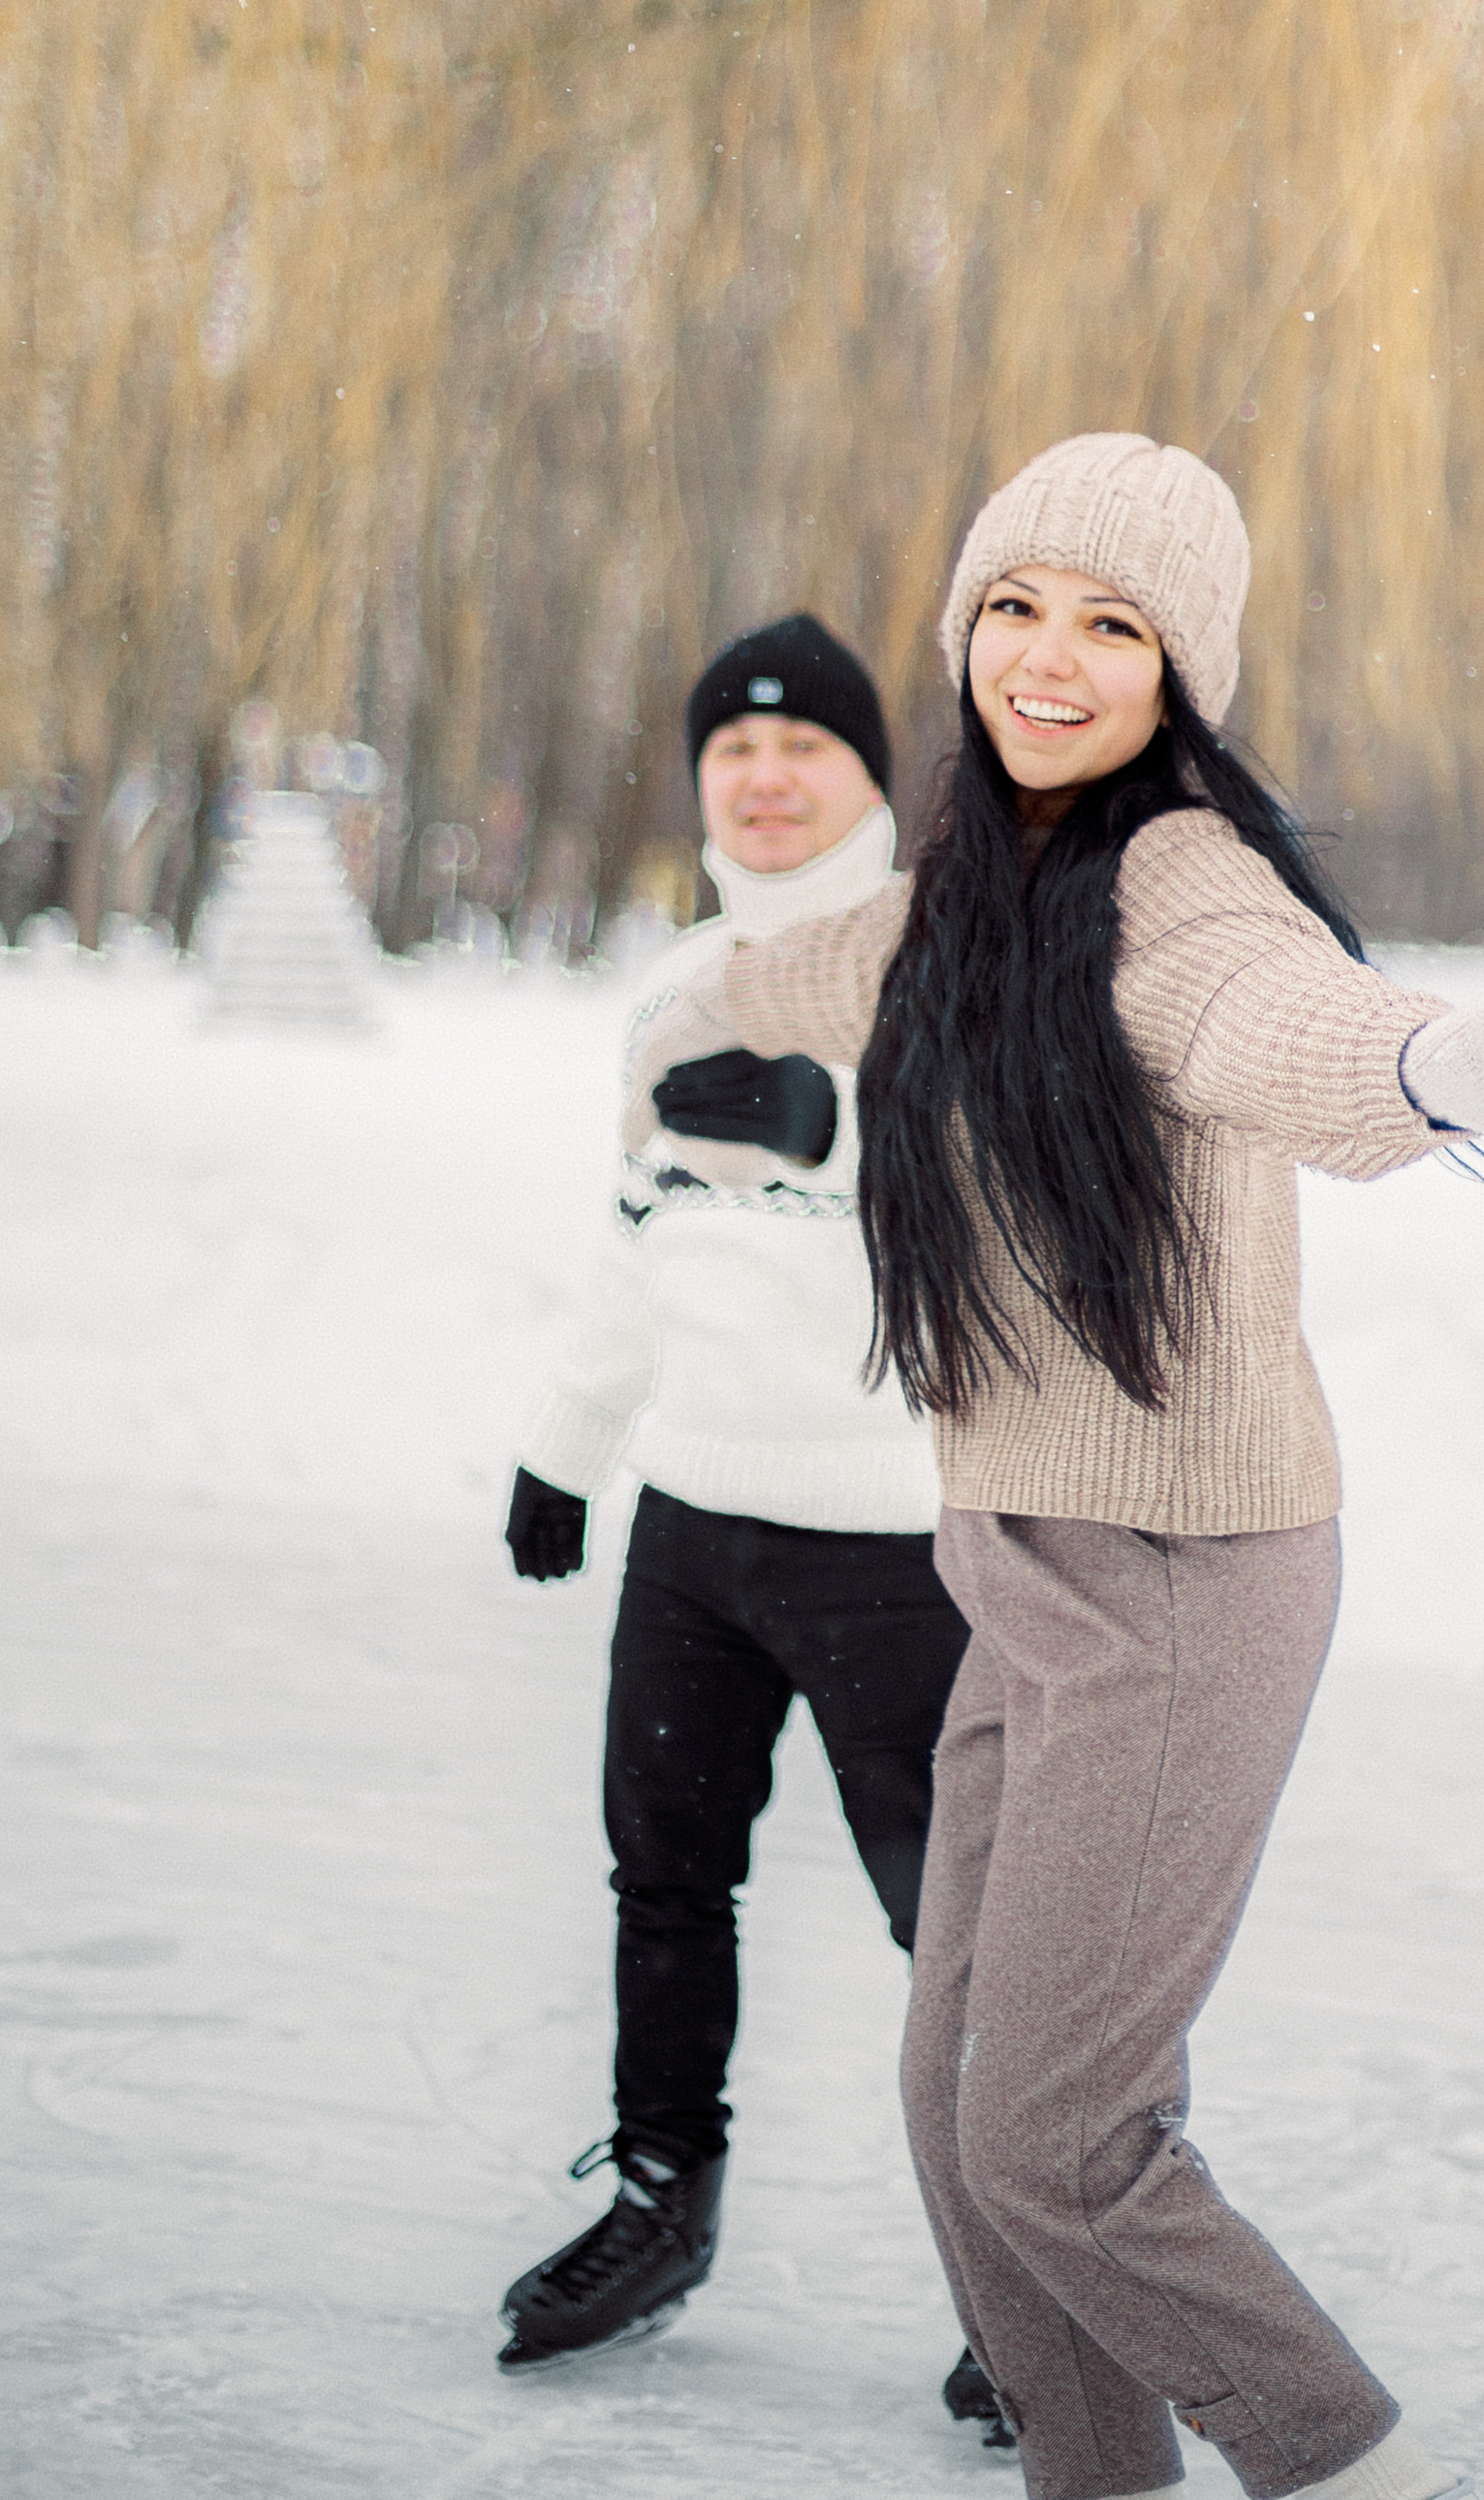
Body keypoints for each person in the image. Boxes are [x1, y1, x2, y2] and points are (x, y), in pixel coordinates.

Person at [619, 437, 1484, 2500]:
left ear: (1176, 676)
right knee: (959, 2108)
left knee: (1055, 2137)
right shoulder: (977, 886)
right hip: (1022, 1579)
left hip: (1183, 1576)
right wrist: (714, 1019)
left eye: (1112, 626)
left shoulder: (1172, 883)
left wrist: (1447, 1068)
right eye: (1020, 608)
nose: (1052, 659)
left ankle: (1335, 2464)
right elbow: (843, 966)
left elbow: (1280, 1022)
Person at [496, 613, 1000, 2434]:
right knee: (665, 1881)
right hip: (697, 1530)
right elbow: (638, 1235)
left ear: (874, 783)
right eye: (735, 753)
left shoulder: (948, 964)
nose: (767, 781)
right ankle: (656, 2203)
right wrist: (570, 1443)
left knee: (964, 1935)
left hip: (901, 1537)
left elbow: (1026, 1227)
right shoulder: (674, 990)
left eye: (807, 753)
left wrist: (839, 1134)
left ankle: (1025, 2289)